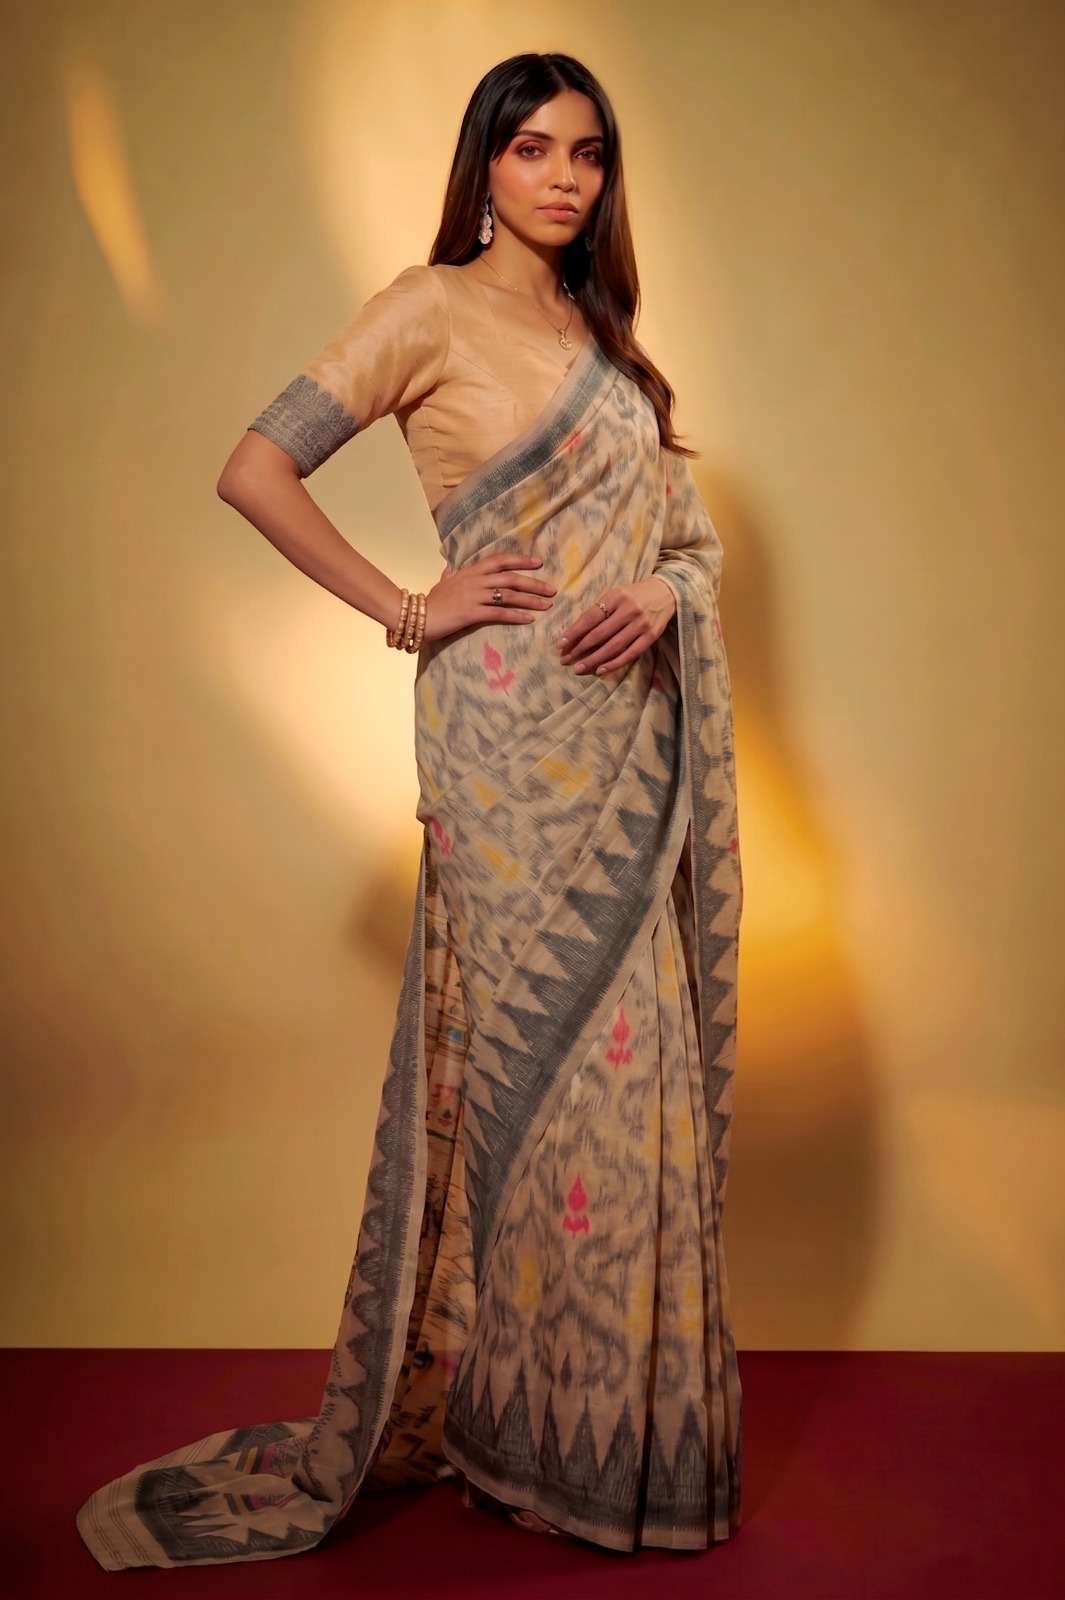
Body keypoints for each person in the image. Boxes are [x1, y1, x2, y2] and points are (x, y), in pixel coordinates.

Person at [75, 49, 744, 1567]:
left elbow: (691, 547)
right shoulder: (426, 307)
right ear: (484, 166)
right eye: (532, 148)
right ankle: (526, 1444)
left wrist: (662, 591)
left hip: (628, 758)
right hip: (503, 752)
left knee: (629, 1098)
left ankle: (598, 1441)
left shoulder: (609, 342)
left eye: (587, 151)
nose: (564, 176)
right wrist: (408, 607)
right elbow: (255, 468)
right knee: (529, 1086)